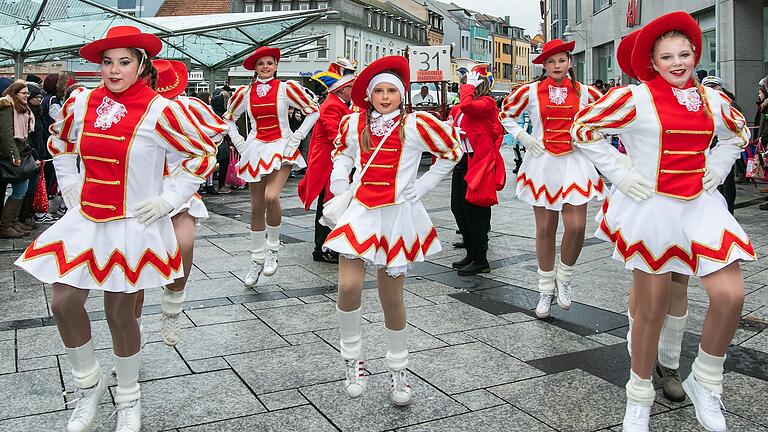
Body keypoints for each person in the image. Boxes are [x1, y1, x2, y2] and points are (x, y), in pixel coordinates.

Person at [14, 25, 217, 432]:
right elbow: (62, 144)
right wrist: (69, 182)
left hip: (132, 225)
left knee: (120, 315)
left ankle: (128, 397)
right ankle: (88, 386)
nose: (113, 70)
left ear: (141, 65)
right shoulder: (83, 103)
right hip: (86, 221)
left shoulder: (163, 110)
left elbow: (199, 155)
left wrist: (169, 199)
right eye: (107, 62)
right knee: (63, 302)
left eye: (124, 62)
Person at [571, 12, 755, 432]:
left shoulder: (712, 100)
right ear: (652, 63)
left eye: (685, 53)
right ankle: (639, 394)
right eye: (667, 56)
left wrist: (719, 164)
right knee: (651, 306)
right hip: (652, 206)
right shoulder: (635, 99)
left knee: (730, 295)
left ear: (696, 55)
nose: (678, 62)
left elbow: (738, 134)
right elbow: (584, 129)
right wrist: (621, 171)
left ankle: (704, 382)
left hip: (700, 205)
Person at [323, 56, 461, 405]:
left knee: (391, 298)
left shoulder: (415, 125)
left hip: (397, 216)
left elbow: (451, 151)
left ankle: (399, 369)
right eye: (379, 91)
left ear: (402, 94)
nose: (385, 97)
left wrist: (425, 185)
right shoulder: (353, 124)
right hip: (361, 212)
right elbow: (340, 153)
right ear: (369, 95)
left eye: (391, 91)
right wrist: (340, 184)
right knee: (349, 285)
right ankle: (352, 359)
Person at [499, 39, 605, 319]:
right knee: (545, 229)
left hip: (575, 163)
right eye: (550, 62)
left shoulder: (586, 93)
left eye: (561, 60)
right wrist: (523, 137)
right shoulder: (531, 91)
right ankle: (545, 289)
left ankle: (565, 277)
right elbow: (505, 114)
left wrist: (594, 137)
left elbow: (609, 117)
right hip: (543, 163)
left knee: (577, 226)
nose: (556, 66)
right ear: (544, 65)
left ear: (571, 62)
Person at [223, 46, 319, 287]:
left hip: (281, 146)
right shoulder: (245, 93)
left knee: (271, 196)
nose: (265, 67)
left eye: (269, 63)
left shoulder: (286, 89)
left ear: (276, 66)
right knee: (256, 206)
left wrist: (297, 138)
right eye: (260, 64)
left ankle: (273, 249)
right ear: (255, 68)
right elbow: (227, 119)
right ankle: (257, 258)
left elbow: (313, 112)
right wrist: (240, 143)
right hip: (255, 149)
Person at [149, 59, 228, 346]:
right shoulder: (140, 110)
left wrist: (194, 157)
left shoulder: (188, 108)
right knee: (135, 267)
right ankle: (132, 331)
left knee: (184, 245)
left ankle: (172, 308)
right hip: (139, 191)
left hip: (178, 188)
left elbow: (218, 132)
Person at [447, 64, 504, 275]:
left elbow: (469, 108)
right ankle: (472, 252)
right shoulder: (464, 103)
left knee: (473, 211)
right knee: (458, 208)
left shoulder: (487, 102)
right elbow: (458, 118)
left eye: (470, 81)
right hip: (464, 158)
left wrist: (468, 89)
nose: (465, 84)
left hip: (478, 160)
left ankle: (480, 258)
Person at [298, 58, 356, 264]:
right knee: (329, 205)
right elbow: (338, 136)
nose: (354, 89)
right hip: (328, 165)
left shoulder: (339, 104)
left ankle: (327, 245)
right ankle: (322, 248)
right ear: (341, 90)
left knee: (332, 203)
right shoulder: (332, 106)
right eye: (351, 86)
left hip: (331, 163)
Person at [0, 80, 35, 239]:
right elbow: (7, 134)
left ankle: (12, 222)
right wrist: (15, 155)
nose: (27, 95)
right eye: (24, 93)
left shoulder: (22, 108)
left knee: (22, 188)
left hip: (21, 153)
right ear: (15, 93)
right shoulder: (7, 106)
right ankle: (6, 225)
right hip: (11, 156)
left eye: (28, 93)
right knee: (20, 189)